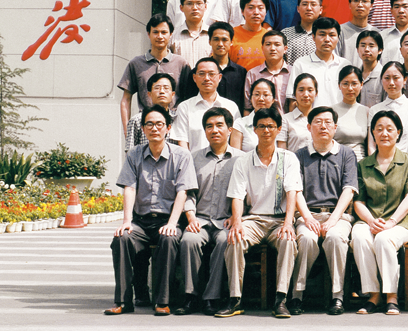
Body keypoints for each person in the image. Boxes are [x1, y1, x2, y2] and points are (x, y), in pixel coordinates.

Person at [106, 105, 197, 316]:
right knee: (122, 239)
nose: (154, 128)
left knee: (168, 238)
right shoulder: (134, 154)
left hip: (168, 220)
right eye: (149, 124)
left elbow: (183, 192)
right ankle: (123, 301)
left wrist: (172, 224)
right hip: (141, 221)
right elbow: (130, 188)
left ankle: (162, 301)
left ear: (168, 128)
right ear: (143, 128)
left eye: (159, 124)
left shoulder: (182, 155)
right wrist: (127, 221)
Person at [221, 107, 302, 319]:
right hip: (254, 219)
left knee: (288, 241)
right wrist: (237, 222)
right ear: (254, 129)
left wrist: (288, 223)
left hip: (279, 220)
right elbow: (237, 196)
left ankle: (281, 299)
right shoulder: (243, 161)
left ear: (278, 129)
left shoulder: (289, 158)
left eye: (271, 126)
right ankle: (234, 299)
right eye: (262, 126)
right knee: (234, 238)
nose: (266, 130)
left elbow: (292, 192)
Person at [351, 111, 408, 315]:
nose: (384, 133)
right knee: (359, 236)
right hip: (369, 220)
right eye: (379, 129)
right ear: (373, 133)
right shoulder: (363, 164)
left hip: (400, 223)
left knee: (384, 239)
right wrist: (370, 220)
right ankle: (373, 295)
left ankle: (391, 296)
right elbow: (358, 202)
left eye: (390, 129)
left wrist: (391, 222)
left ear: (398, 133)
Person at [291, 106, 359, 315]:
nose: (323, 126)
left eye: (328, 122)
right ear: (309, 127)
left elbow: (349, 190)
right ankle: (297, 295)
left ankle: (337, 296)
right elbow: (295, 190)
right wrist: (307, 218)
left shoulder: (346, 154)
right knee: (306, 239)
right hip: (307, 215)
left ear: (335, 127)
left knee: (336, 238)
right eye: (318, 122)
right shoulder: (299, 155)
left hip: (337, 216)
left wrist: (332, 220)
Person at [177, 108, 239, 316]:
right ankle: (190, 296)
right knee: (189, 240)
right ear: (204, 131)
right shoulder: (193, 158)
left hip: (226, 221)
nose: (214, 130)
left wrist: (236, 216)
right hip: (200, 219)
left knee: (225, 241)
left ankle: (211, 298)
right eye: (209, 126)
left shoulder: (241, 159)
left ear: (230, 129)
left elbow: (246, 193)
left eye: (220, 125)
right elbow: (187, 192)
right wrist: (190, 216)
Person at [118, 14, 187, 144]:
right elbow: (126, 99)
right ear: (148, 34)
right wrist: (128, 131)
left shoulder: (181, 63)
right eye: (155, 32)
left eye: (164, 32)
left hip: (174, 126)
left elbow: (188, 97)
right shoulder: (136, 63)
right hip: (146, 125)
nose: (159, 36)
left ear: (171, 34)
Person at [170, 57, 241, 151]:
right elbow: (182, 142)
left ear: (219, 77)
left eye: (211, 74)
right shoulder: (185, 107)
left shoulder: (231, 107)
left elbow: (235, 141)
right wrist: (188, 161)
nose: (207, 78)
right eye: (202, 74)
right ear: (194, 78)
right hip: (193, 160)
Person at [177, 22, 247, 107]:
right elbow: (191, 101)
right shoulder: (198, 72)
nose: (220, 44)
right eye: (216, 39)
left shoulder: (241, 72)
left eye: (224, 40)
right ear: (209, 41)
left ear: (231, 42)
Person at [287, 17, 349, 108]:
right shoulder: (301, 64)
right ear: (313, 37)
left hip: (338, 116)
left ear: (338, 38)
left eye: (332, 35)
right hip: (310, 117)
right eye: (322, 34)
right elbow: (293, 100)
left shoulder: (345, 65)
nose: (327, 39)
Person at [367, 62, 408, 155]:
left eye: (396, 78)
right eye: (387, 78)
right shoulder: (374, 110)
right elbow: (371, 145)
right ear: (381, 80)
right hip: (381, 161)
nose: (391, 83)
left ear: (405, 79)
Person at [124, 73, 177, 151]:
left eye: (166, 88)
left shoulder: (178, 119)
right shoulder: (137, 120)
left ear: (172, 94)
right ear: (149, 94)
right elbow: (130, 152)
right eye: (157, 88)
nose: (162, 91)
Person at [234, 78, 288, 152]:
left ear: (273, 99)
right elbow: (235, 154)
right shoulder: (240, 123)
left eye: (266, 95)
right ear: (250, 98)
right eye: (257, 94)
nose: (261, 99)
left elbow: (282, 152)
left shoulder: (282, 122)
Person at [243, 30, 290, 115]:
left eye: (277, 44)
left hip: (287, 122)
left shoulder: (293, 73)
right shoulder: (253, 74)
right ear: (262, 48)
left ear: (285, 49)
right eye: (268, 44)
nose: (272, 48)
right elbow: (247, 107)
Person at [332, 65, 370, 160]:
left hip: (361, 163)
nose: (350, 88)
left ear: (361, 85)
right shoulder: (331, 111)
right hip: (338, 162)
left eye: (354, 83)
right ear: (339, 85)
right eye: (345, 84)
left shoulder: (367, 112)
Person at [170, 0, 213, 68]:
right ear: (181, 8)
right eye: (189, 3)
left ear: (205, 7)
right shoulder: (172, 36)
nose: (194, 8)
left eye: (199, 3)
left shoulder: (213, 35)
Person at [229, 0, 271, 71]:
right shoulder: (231, 35)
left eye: (260, 8)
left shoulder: (270, 37)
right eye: (251, 8)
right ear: (242, 11)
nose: (256, 12)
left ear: (266, 12)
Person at [281, 0, 323, 66]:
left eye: (313, 4)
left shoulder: (326, 35)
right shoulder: (285, 33)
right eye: (304, 4)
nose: (309, 8)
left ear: (320, 10)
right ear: (298, 9)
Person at [338, 0, 377, 67]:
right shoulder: (339, 31)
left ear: (371, 6)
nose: (360, 5)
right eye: (356, 0)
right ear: (349, 5)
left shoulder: (376, 33)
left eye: (364, 1)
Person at [283, 73, 318, 153]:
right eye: (301, 90)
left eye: (310, 90)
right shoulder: (285, 119)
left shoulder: (321, 118)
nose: (305, 95)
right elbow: (282, 151)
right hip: (293, 161)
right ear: (294, 94)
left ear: (316, 93)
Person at [356, 30, 385, 107]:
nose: (366, 49)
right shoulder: (354, 75)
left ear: (380, 50)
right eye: (363, 45)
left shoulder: (384, 76)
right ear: (357, 49)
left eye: (371, 46)